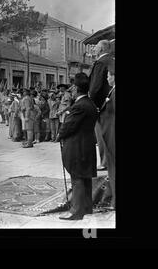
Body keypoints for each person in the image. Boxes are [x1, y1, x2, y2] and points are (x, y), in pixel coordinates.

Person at [57, 73, 99, 220]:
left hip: (77, 147)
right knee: (85, 177)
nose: (71, 90)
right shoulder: (90, 103)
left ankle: (77, 211)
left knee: (77, 178)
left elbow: (68, 126)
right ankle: (87, 208)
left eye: (73, 87)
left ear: (76, 88)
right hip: (87, 145)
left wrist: (59, 135)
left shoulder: (79, 106)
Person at [89, 39, 114, 171]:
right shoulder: (112, 60)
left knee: (101, 135)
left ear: (102, 49)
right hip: (111, 101)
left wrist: (90, 101)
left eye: (96, 47)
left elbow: (95, 86)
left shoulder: (100, 62)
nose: (94, 49)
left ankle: (104, 162)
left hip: (101, 105)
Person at [98, 58, 116, 209]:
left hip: (113, 138)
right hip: (109, 136)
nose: (107, 78)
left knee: (114, 170)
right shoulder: (112, 90)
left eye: (109, 75)